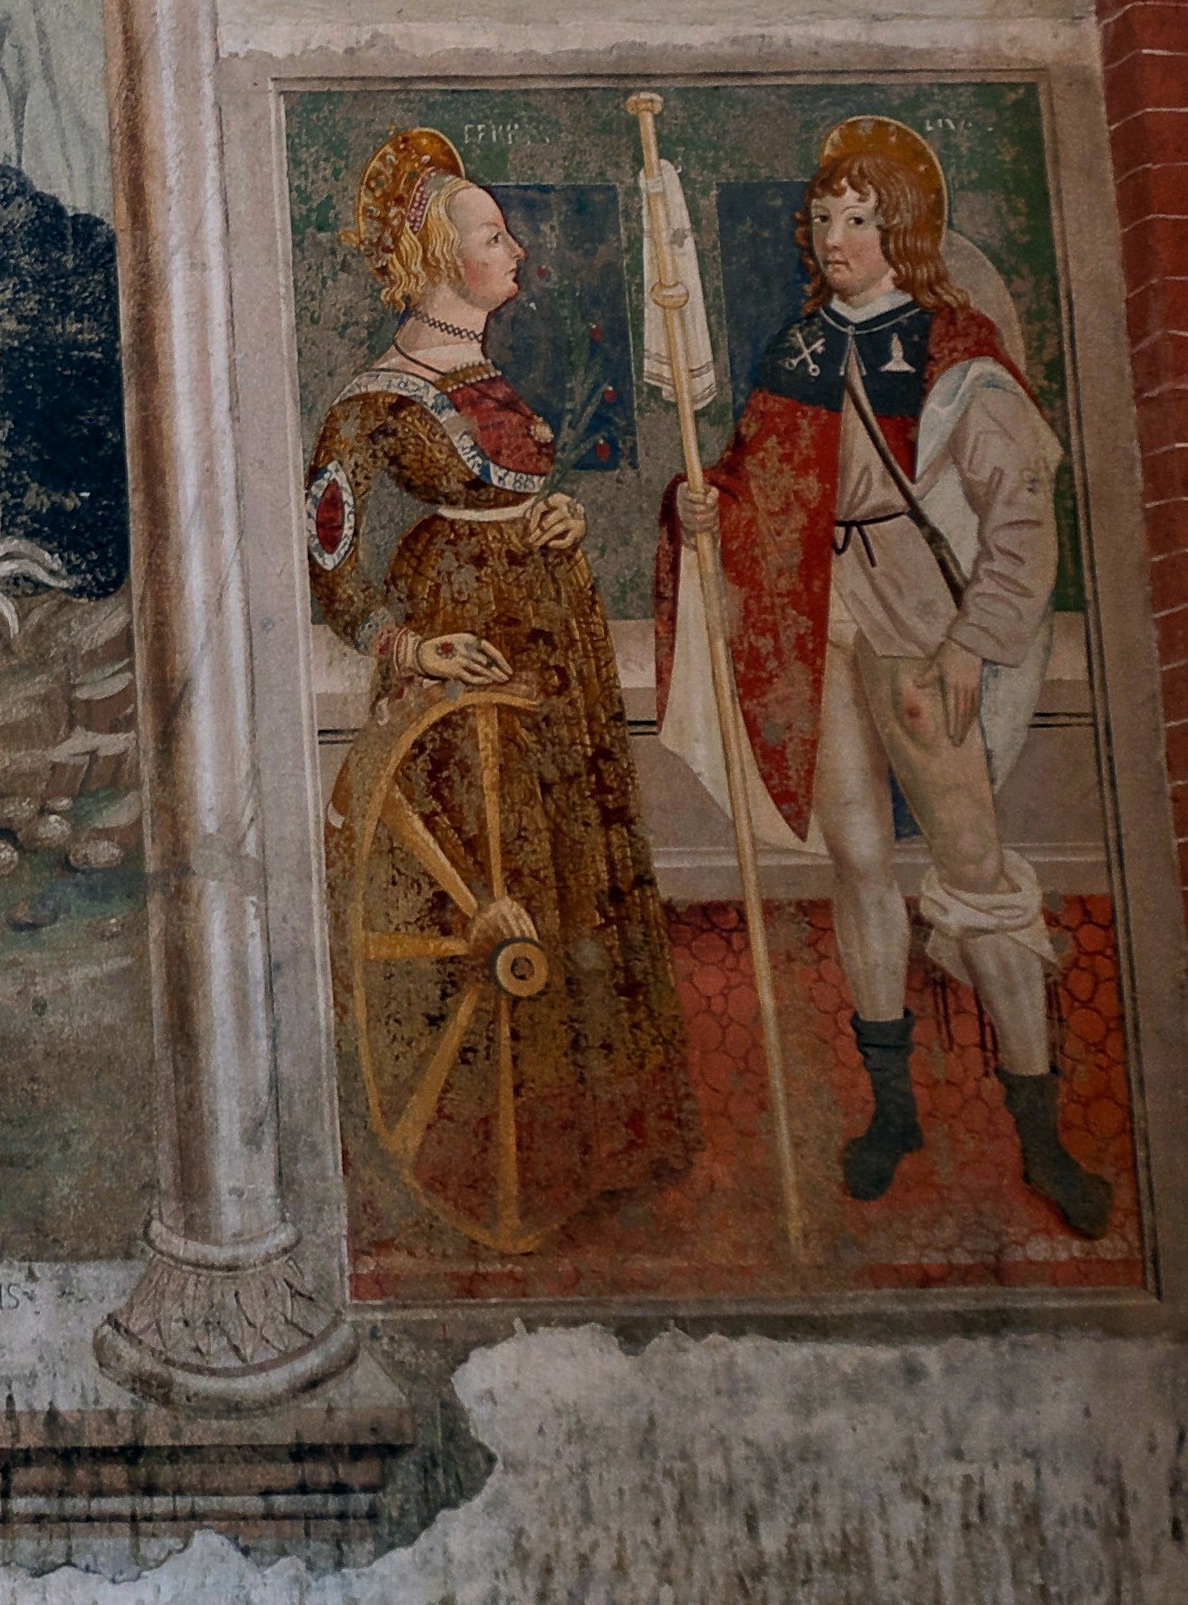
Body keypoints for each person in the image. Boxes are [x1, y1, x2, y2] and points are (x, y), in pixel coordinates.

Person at [662, 115, 1105, 1234]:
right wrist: (699, 504)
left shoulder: (955, 352)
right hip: (818, 628)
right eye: (823, 217)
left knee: (973, 868)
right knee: (857, 862)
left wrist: (969, 643)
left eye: (858, 217)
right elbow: (749, 475)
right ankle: (892, 1107)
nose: (835, 235)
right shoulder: (796, 350)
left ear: (899, 227)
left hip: (919, 630)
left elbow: (1019, 521)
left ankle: (1040, 1132)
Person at [305, 127, 700, 1239]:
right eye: (491, 234)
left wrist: (558, 516)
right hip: (467, 637)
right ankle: (488, 1141)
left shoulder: (489, 378)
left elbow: (517, 492)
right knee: (492, 864)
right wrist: (409, 646)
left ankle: (595, 1143)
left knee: (568, 853)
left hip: (552, 630)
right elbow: (330, 557)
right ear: (439, 255)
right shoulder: (373, 401)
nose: (514, 247)